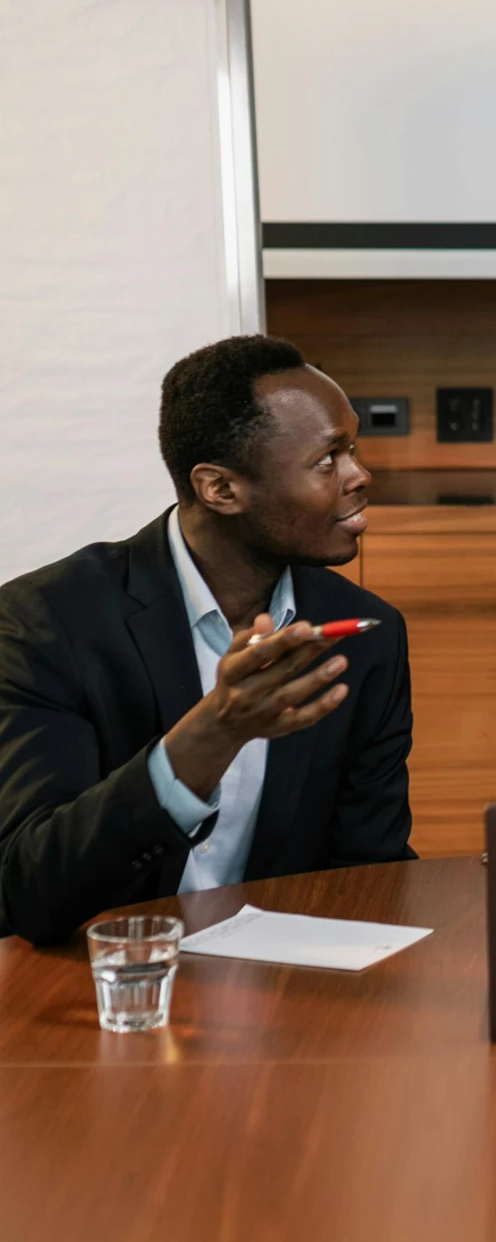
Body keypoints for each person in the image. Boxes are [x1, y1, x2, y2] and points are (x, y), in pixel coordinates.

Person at [0, 335, 414, 944]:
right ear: (220, 489)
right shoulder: (45, 622)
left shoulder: (365, 633)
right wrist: (214, 732)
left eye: (353, 448)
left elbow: (370, 871)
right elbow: (27, 887)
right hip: (102, 990)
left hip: (292, 996)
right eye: (328, 459)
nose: (359, 475)